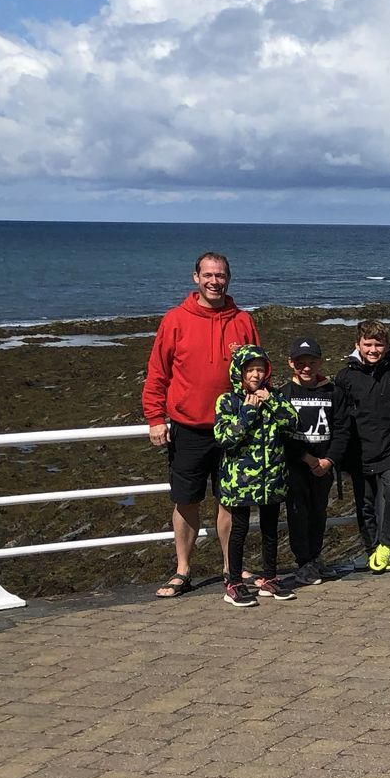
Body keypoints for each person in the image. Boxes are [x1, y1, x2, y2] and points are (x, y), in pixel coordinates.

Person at [142, 252, 262, 598]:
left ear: (229, 279)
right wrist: (155, 418)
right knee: (186, 500)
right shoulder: (175, 320)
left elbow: (256, 372)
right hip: (188, 428)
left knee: (230, 500)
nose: (214, 281)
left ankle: (231, 567)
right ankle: (183, 569)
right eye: (208, 275)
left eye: (220, 276)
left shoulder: (242, 320)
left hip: (234, 429)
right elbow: (157, 373)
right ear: (196, 277)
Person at [212, 344, 298, 607]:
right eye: (250, 369)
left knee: (270, 529)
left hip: (271, 477)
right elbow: (224, 439)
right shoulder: (227, 401)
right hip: (240, 481)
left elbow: (293, 423)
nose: (255, 375)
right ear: (239, 372)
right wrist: (248, 413)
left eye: (260, 369)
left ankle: (269, 578)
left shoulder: (275, 397)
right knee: (239, 530)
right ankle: (234, 583)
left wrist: (271, 401)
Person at [336, 322, 390, 574]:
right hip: (359, 450)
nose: (373, 349)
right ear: (357, 345)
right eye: (368, 344)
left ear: (387, 345)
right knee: (365, 504)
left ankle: (387, 545)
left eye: (378, 344)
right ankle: (372, 550)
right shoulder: (345, 376)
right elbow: (340, 416)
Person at [280, 338, 343, 586]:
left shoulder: (333, 391)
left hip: (324, 466)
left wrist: (329, 460)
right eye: (301, 363)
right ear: (291, 363)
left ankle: (316, 559)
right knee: (298, 515)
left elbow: (342, 428)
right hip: (296, 466)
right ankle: (303, 562)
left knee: (319, 513)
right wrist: (307, 459)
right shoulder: (284, 393)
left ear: (320, 362)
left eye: (311, 362)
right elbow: (282, 434)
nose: (306, 367)